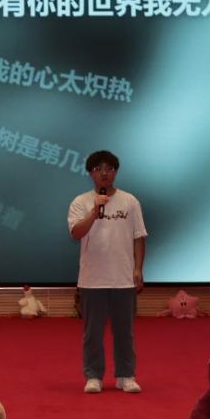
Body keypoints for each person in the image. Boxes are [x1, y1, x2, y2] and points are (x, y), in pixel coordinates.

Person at [67, 150, 146, 394]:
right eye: (99, 169)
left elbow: (139, 237)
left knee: (124, 332)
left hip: (123, 278)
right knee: (93, 333)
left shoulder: (130, 201)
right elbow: (76, 233)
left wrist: (138, 269)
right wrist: (95, 210)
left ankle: (125, 376)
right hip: (92, 279)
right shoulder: (80, 202)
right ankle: (93, 376)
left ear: (115, 172)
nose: (104, 173)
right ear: (91, 173)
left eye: (109, 169)